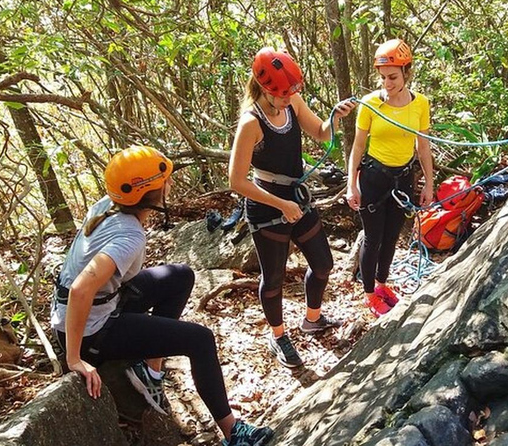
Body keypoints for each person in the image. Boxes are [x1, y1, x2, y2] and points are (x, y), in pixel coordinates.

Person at [50, 146, 273, 446]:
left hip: (94, 308)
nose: (169, 184)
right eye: (164, 180)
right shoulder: (129, 235)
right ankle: (233, 432)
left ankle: (150, 373)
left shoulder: (108, 205)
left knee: (180, 276)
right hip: (92, 332)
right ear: (150, 193)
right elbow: (80, 288)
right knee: (200, 340)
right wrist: (74, 359)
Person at [228, 48, 356, 368]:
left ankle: (312, 319)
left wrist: (334, 116)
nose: (287, 100)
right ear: (264, 89)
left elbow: (321, 133)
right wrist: (280, 204)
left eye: (290, 94)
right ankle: (278, 336)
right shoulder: (251, 123)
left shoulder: (292, 101)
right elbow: (236, 181)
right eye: (281, 95)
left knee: (323, 263)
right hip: (266, 204)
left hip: (295, 198)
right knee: (273, 279)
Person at [346, 39, 434, 316]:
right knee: (373, 237)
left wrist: (429, 183)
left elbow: (423, 146)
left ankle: (382, 284)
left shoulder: (420, 104)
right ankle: (370, 293)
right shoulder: (371, 104)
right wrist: (351, 184)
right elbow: (358, 146)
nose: (387, 83)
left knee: (392, 235)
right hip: (374, 177)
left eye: (393, 77)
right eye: (383, 77)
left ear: (407, 72)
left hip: (403, 178)